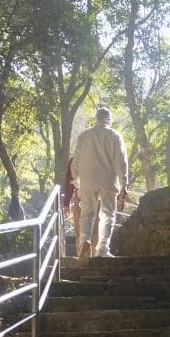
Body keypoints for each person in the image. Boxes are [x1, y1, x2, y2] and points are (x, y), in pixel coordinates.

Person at [71, 107, 128, 263]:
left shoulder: (84, 136)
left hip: (87, 181)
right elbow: (120, 161)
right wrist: (124, 183)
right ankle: (102, 248)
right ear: (109, 119)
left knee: (87, 214)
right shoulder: (115, 136)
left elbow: (75, 161)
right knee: (108, 214)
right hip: (109, 181)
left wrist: (76, 181)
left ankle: (85, 242)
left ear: (96, 118)